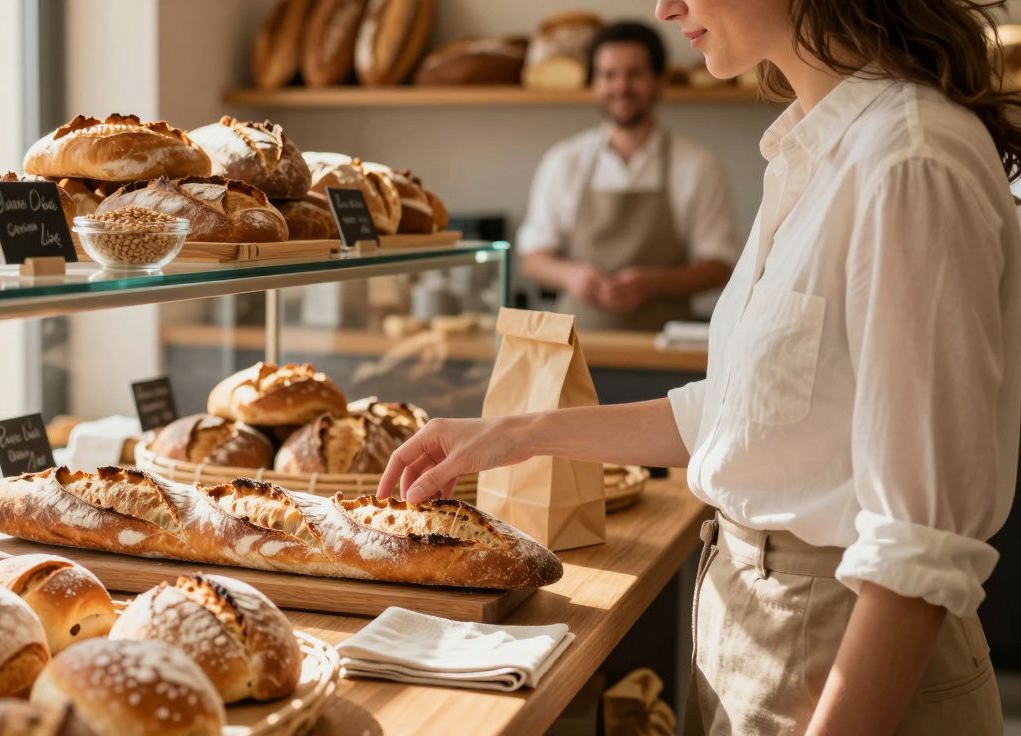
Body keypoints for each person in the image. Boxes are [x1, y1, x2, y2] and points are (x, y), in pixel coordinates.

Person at [380, 1, 1021, 733]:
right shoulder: (812, 156)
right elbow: (742, 418)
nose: (665, 6)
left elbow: (917, 548)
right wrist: (510, 433)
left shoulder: (909, 160)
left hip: (842, 653)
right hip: (761, 630)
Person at [518, 21, 738, 331]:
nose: (621, 87)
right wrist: (572, 276)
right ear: (594, 83)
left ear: (660, 81)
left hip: (666, 349)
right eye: (608, 75)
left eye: (634, 74)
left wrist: (652, 283)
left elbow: (720, 267)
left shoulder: (698, 165)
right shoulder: (563, 161)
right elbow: (533, 258)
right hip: (577, 343)